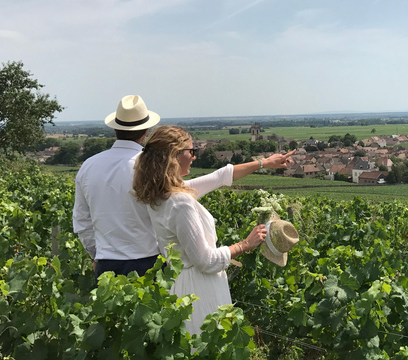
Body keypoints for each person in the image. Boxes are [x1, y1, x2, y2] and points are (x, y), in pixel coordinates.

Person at [132, 125, 295, 335]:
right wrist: (245, 244)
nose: (194, 157)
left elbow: (220, 177)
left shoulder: (161, 193)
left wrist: (265, 162)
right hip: (199, 289)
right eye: (191, 151)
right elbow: (206, 261)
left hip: (180, 284)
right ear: (173, 155)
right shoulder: (180, 201)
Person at [73, 95, 162, 279]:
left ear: (115, 128)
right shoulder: (152, 166)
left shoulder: (88, 166)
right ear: (146, 130)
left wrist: (96, 254)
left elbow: (82, 221)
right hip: (149, 262)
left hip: (106, 263)